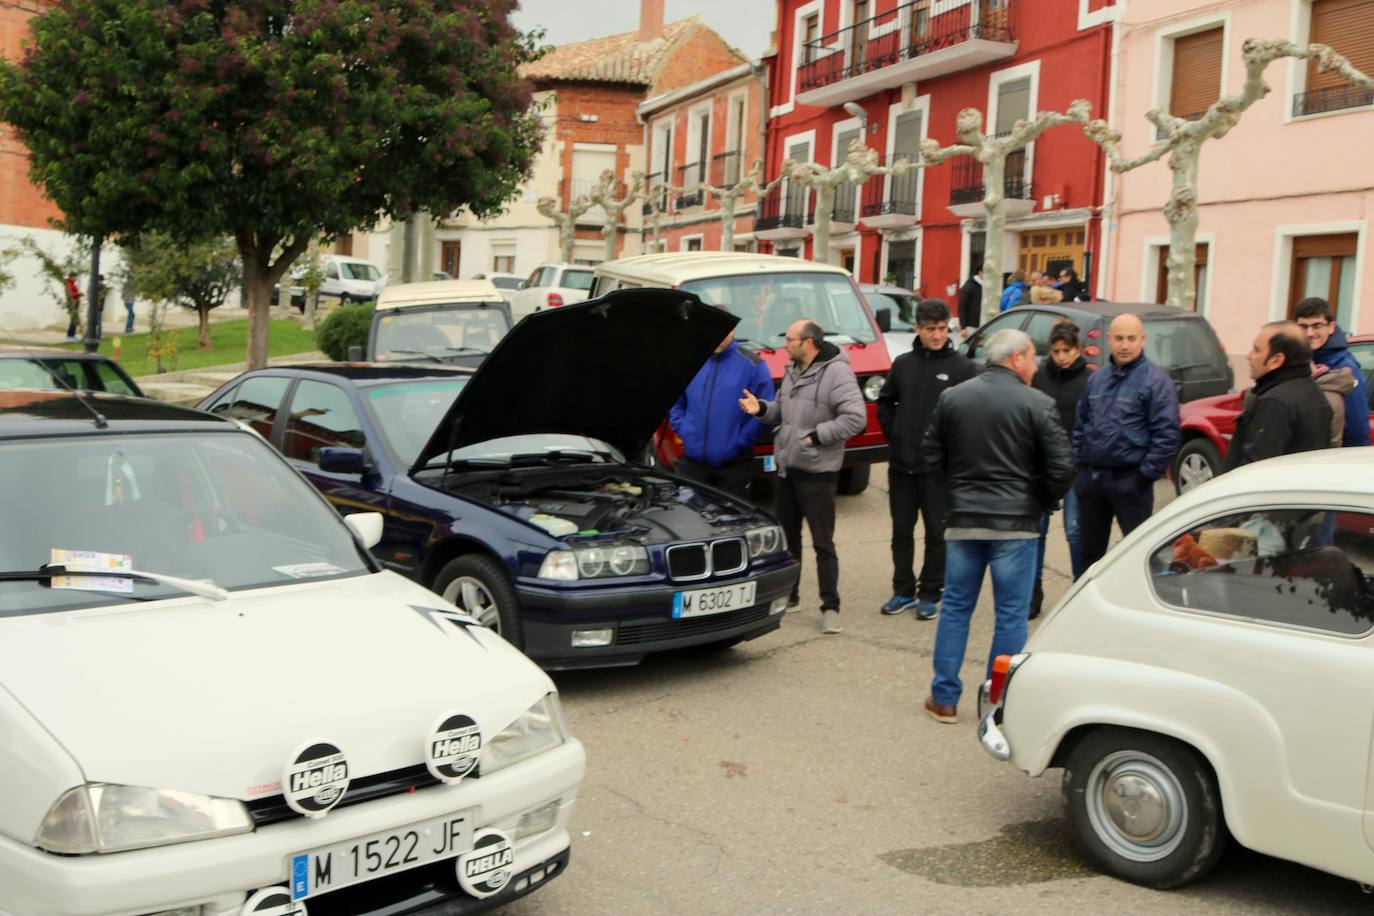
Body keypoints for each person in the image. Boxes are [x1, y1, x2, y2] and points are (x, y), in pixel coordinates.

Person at [921, 329, 1074, 723]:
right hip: (1017, 525)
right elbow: (1062, 466)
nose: (1037, 364)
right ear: (1017, 357)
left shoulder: (953, 397)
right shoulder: (1037, 402)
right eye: (1033, 357)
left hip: (964, 520)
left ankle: (944, 698)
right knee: (1010, 614)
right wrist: (1039, 501)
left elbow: (931, 455)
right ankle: (997, 701)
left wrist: (955, 493)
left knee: (955, 607)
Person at [739, 319, 866, 635]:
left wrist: (816, 436)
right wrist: (761, 409)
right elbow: (782, 412)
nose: (785, 343)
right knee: (788, 539)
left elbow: (856, 418)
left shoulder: (837, 373)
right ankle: (790, 595)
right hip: (786, 469)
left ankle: (830, 607)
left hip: (817, 473)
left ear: (808, 343)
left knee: (823, 543)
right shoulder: (794, 370)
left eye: (790, 338)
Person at [876, 299, 976, 620]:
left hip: (937, 472)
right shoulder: (903, 363)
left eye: (942, 328)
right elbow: (885, 403)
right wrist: (897, 436)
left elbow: (968, 418)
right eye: (930, 329)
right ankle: (902, 590)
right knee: (901, 532)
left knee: (937, 533)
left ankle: (930, 592)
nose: (937, 335)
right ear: (918, 329)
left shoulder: (962, 368)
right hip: (901, 466)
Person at [1073, 313, 1180, 571]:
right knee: (1088, 559)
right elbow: (1080, 424)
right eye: (1119, 338)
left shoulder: (1156, 382)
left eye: (1131, 338)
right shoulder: (1096, 379)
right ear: (1109, 340)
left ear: (1142, 340)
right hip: (1092, 483)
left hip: (1131, 483)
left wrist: (1143, 477)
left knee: (1137, 557)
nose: (1125, 345)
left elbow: (1167, 434)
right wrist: (1079, 469)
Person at [1030, 320, 1092, 609]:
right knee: (1036, 531)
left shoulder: (1090, 380)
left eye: (1067, 351)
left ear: (1078, 350)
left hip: (1076, 467)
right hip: (1042, 466)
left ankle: (1080, 595)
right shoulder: (1039, 376)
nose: (1062, 357)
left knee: (1076, 530)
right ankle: (1032, 594)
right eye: (1056, 351)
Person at [669, 329, 774, 500]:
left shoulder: (753, 365)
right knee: (693, 521)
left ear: (732, 331)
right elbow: (676, 401)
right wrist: (685, 430)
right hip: (694, 464)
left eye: (723, 333)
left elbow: (764, 409)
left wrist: (740, 441)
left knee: (733, 522)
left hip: (734, 464)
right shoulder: (691, 360)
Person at [1224, 321, 1332, 471]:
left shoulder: (1276, 402)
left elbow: (1255, 469)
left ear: (1276, 360)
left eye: (1256, 350)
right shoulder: (1314, 392)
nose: (1249, 356)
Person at [1294, 297, 1370, 448]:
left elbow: (1355, 424)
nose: (1310, 333)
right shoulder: (1297, 360)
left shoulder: (1344, 368)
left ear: (1331, 327)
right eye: (1303, 326)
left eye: (1317, 326)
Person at [957, 269, 982, 338]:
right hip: (971, 326)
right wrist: (963, 327)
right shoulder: (968, 287)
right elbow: (962, 307)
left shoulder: (985, 286)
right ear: (980, 273)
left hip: (983, 324)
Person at [63, 273, 82, 341]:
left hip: (75, 304)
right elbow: (70, 294)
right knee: (73, 320)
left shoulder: (72, 284)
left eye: (76, 277)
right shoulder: (69, 285)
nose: (75, 279)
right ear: (70, 277)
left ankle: (72, 335)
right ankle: (70, 336)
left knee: (74, 320)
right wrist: (78, 294)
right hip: (72, 304)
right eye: (74, 277)